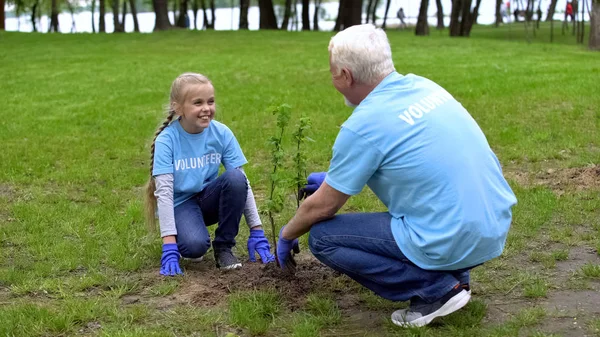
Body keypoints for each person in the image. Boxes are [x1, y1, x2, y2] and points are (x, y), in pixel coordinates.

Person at [276, 24, 517, 328]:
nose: (332, 78)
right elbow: (416, 163)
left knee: (323, 238)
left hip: (452, 237)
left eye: (333, 72)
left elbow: (322, 207)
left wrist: (287, 234)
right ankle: (455, 275)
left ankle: (436, 290)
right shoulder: (426, 87)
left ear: (346, 75)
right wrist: (334, 178)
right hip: (491, 227)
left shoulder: (362, 125)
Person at [144, 72, 275, 276]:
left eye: (210, 101)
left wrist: (257, 230)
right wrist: (168, 244)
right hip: (181, 204)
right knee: (195, 247)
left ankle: (224, 248)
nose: (206, 108)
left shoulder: (222, 133)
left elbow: (243, 183)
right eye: (197, 103)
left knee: (236, 178)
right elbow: (165, 193)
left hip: (207, 198)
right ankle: (184, 235)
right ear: (178, 107)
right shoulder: (167, 140)